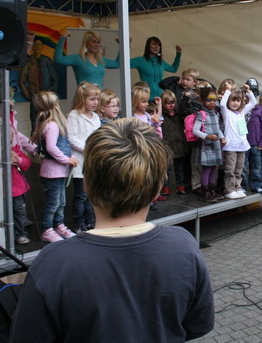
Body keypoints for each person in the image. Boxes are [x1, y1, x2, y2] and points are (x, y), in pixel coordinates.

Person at [11, 118, 215, 342]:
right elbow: (198, 324)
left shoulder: (53, 263)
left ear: (86, 183)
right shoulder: (184, 246)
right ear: (159, 186)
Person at [30, 91, 79, 243]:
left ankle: (59, 225)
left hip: (58, 173)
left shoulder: (52, 124)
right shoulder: (52, 125)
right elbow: (51, 147)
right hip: (53, 172)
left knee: (60, 201)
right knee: (53, 202)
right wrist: (66, 159)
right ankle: (47, 229)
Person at [67, 82, 101, 233]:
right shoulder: (74, 115)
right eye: (92, 99)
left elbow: (99, 135)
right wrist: (89, 149)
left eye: (97, 99)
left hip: (93, 161)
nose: (95, 103)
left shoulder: (95, 116)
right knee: (81, 194)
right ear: (82, 99)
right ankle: (79, 222)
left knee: (91, 194)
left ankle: (91, 219)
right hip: (81, 161)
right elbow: (72, 138)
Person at [220, 85, 257, 199]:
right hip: (231, 145)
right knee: (230, 169)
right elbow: (222, 104)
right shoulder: (226, 112)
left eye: (238, 100)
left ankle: (237, 187)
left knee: (239, 169)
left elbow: (253, 102)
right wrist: (228, 90)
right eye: (233, 100)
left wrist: (248, 91)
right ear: (229, 101)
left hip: (242, 145)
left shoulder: (241, 112)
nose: (235, 103)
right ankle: (229, 189)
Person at [19, 36, 59, 128]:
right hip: (35, 96)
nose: (36, 47)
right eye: (35, 44)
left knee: (49, 122)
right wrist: (28, 95)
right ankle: (35, 142)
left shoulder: (47, 60)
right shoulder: (28, 61)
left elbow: (55, 78)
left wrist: (53, 94)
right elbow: (22, 81)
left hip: (47, 95)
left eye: (39, 44)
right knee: (35, 123)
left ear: (42, 46)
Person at [193, 87, 226, 202]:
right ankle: (204, 192)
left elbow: (218, 129)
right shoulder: (201, 114)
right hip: (206, 146)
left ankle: (212, 190)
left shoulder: (216, 113)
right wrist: (207, 136)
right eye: (209, 100)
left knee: (213, 168)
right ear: (202, 101)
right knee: (207, 169)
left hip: (215, 145)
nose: (212, 102)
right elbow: (195, 130)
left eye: (214, 100)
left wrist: (222, 137)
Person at [54, 31, 119, 87]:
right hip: (84, 98)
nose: (96, 44)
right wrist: (62, 39)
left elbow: (118, 64)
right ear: (86, 43)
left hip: (99, 98)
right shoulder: (78, 58)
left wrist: (124, 45)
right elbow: (58, 60)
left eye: (98, 42)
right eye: (94, 41)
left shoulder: (102, 60)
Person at [241, 78, 262, 194]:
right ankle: (242, 186)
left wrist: (261, 141)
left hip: (255, 143)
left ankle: (256, 185)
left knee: (256, 167)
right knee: (243, 167)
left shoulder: (259, 109)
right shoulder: (241, 108)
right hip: (243, 143)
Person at [161, 89, 188, 196]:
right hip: (167, 145)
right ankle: (166, 186)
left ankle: (180, 185)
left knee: (179, 168)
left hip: (179, 145)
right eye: (168, 103)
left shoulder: (179, 114)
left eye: (173, 102)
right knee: (167, 169)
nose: (171, 105)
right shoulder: (162, 116)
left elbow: (183, 108)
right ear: (163, 104)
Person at [11, 136, 32, 245]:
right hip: (3, 190)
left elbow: (27, 163)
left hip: (18, 188)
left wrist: (18, 159)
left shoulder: (16, 150)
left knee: (20, 212)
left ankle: (20, 234)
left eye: (10, 141)